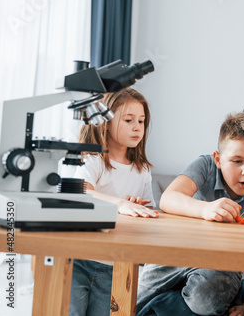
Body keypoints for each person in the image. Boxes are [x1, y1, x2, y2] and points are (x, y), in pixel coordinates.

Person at [137, 112, 244, 316]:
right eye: (237, 161)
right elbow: (168, 198)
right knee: (136, 303)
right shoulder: (205, 165)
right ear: (218, 159)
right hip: (175, 253)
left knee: (205, 303)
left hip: (222, 265)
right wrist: (205, 208)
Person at [69, 88, 159, 316]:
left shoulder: (143, 170)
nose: (138, 126)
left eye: (141, 120)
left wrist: (135, 205)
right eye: (129, 120)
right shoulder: (93, 159)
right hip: (79, 259)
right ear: (105, 123)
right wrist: (120, 204)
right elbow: (81, 191)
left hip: (116, 265)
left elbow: (147, 213)